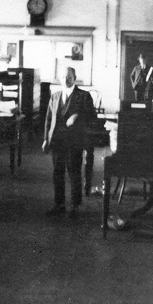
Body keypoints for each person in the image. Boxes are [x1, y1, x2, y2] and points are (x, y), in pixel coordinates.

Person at [42, 67, 94, 218]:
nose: (66, 79)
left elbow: (92, 116)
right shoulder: (55, 96)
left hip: (74, 141)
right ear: (60, 78)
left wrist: (77, 115)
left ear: (75, 77)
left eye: (69, 77)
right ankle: (59, 205)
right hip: (57, 141)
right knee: (57, 174)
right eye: (63, 77)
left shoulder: (84, 96)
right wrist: (46, 139)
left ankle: (75, 206)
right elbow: (48, 119)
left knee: (74, 173)